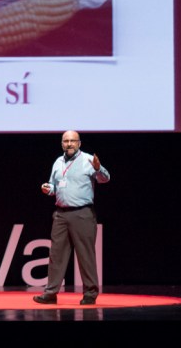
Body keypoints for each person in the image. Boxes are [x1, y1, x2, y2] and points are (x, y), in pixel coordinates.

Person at [33, 130, 110, 305]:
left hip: (82, 213)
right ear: (62, 143)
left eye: (73, 141)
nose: (69, 144)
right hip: (60, 214)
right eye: (66, 141)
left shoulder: (88, 160)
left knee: (85, 255)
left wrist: (98, 168)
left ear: (79, 143)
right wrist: (49, 189)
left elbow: (105, 179)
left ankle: (90, 293)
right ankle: (50, 293)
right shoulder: (58, 162)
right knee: (56, 255)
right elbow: (54, 185)